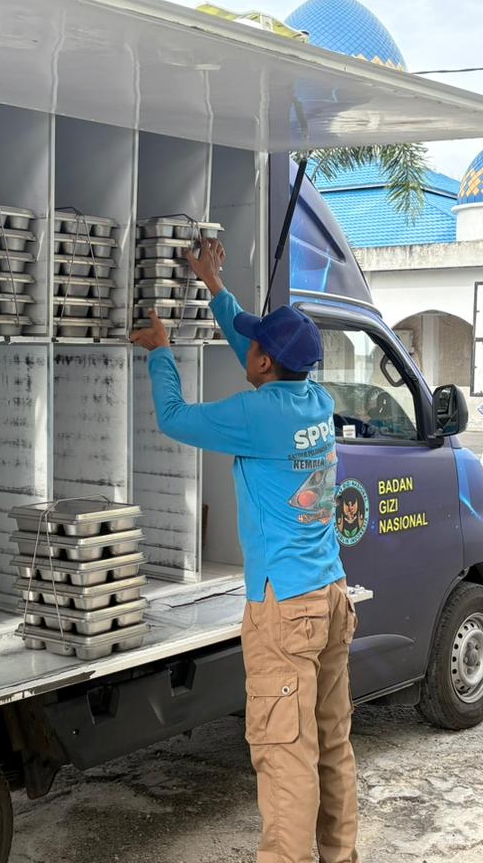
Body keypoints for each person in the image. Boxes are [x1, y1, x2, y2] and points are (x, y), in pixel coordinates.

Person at [129, 238, 359, 863]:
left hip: (284, 610)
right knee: (330, 744)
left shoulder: (258, 416)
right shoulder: (314, 401)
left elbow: (175, 418)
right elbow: (254, 354)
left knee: (285, 758)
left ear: (262, 364)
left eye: (254, 346)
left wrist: (160, 354)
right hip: (331, 598)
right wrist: (215, 288)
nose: (248, 350)